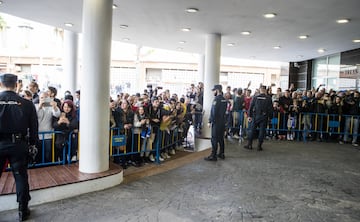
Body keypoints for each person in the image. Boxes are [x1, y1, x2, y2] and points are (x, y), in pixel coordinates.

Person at [0, 73, 39, 221]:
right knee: (21, 177)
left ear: (1, 84)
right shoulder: (27, 104)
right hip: (19, 145)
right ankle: (23, 210)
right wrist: (33, 144)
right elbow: (34, 127)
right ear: (16, 85)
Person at [244, 86, 273, 151]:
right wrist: (270, 117)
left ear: (260, 90)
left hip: (255, 116)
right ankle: (259, 146)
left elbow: (251, 107)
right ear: (265, 90)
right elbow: (271, 109)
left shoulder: (255, 97)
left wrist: (249, 116)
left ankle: (249, 144)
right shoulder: (268, 98)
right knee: (262, 131)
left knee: (252, 130)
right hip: (264, 116)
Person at [204, 84, 227, 161]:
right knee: (221, 138)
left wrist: (210, 121)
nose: (213, 92)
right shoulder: (224, 99)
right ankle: (221, 153)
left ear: (217, 90)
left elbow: (214, 112)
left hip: (216, 122)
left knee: (214, 138)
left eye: (214, 90)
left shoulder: (216, 99)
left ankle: (213, 155)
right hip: (222, 122)